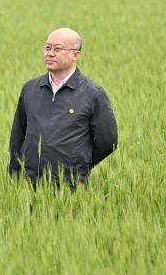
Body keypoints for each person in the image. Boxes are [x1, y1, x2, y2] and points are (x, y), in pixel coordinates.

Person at [8, 28, 118, 187]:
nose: (50, 53)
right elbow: (18, 136)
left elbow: (108, 143)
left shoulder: (93, 94)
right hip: (29, 184)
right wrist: (14, 176)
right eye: (47, 47)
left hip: (70, 186)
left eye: (57, 49)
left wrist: (78, 166)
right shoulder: (30, 88)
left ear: (76, 55)